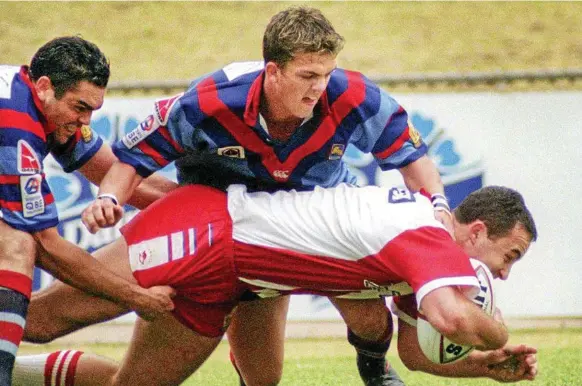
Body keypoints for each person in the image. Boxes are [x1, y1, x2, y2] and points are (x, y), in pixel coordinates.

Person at [22, 7, 451, 386]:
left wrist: (440, 206)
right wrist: (114, 198)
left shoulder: (353, 97)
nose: (320, 87)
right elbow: (128, 161)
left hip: (279, 241)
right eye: (307, 75)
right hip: (197, 223)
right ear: (273, 71)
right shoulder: (208, 102)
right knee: (43, 319)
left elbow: (414, 159)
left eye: (326, 74)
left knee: (264, 376)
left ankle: (372, 363)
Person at [12, 183, 538, 386]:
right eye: (508, 256)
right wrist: (496, 331)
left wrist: (483, 368)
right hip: (206, 232)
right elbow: (453, 320)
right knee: (38, 320)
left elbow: (417, 352)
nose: (505, 273)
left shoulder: (423, 265)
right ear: (475, 231)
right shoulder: (426, 236)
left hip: (229, 282)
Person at [0, 36, 178, 385]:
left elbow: (118, 175)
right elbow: (49, 248)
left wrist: (203, 208)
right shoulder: (15, 128)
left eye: (93, 109)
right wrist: (137, 297)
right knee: (17, 244)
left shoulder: (42, 104)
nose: (86, 120)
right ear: (45, 86)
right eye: (80, 108)